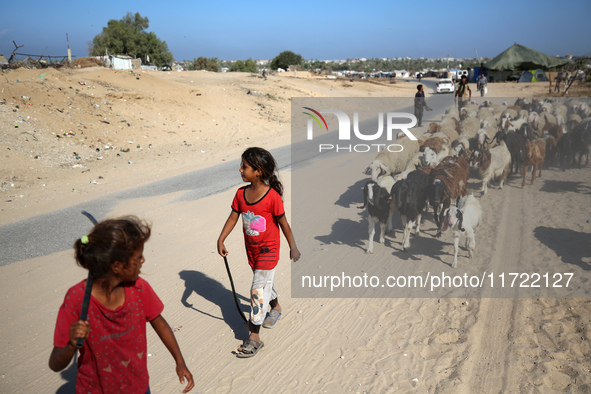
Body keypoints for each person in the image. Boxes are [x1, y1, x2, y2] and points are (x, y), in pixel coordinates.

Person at [49, 217, 195, 393]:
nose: (143, 260)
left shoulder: (139, 288)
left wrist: (179, 361)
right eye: (138, 257)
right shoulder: (77, 299)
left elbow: (159, 322)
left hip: (139, 388)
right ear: (117, 266)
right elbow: (55, 364)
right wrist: (72, 345)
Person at [217, 147, 300, 358]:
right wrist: (221, 238)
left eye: (244, 166)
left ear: (258, 171)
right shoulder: (240, 194)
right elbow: (233, 218)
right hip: (251, 250)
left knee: (257, 290)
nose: (240, 170)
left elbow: (284, 224)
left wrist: (293, 246)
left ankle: (254, 337)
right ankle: (276, 307)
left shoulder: (272, 197)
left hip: (269, 250)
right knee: (262, 282)